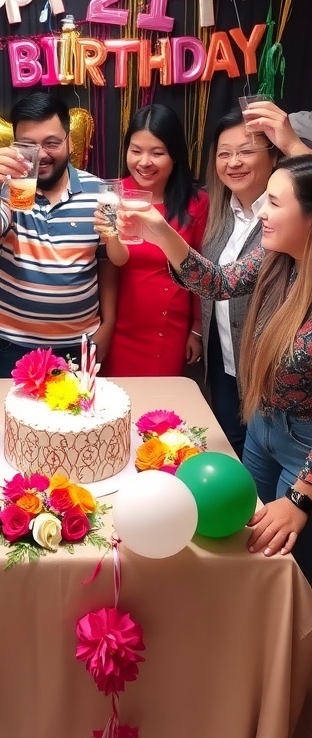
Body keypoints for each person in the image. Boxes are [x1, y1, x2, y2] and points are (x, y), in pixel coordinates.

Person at [116, 155, 312, 578]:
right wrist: (159, 229)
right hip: (262, 428)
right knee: (245, 553)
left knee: (289, 570)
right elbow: (217, 282)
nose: (261, 212)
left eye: (274, 203)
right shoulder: (277, 257)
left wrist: (301, 498)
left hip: (306, 454)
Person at [0, 92, 119, 377]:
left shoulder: (100, 191)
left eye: (51, 143)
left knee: (77, 420)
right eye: (28, 145)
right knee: (15, 421)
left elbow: (108, 261)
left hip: (79, 343)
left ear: (69, 141)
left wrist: (108, 325)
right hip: (12, 343)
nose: (41, 154)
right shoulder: (9, 188)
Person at [201, 102, 309, 458]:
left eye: (246, 151)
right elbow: (217, 283)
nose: (234, 162)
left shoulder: (287, 226)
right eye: (225, 153)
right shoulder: (220, 212)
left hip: (282, 386)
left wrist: (294, 145)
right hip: (226, 363)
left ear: (274, 155)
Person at [98, 104, 208, 377]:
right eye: (136, 151)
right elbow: (116, 261)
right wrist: (110, 232)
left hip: (168, 326)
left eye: (157, 153)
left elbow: (203, 270)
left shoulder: (196, 203)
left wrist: (197, 328)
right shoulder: (113, 194)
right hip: (119, 323)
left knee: (160, 410)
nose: (144, 162)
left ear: (174, 156)